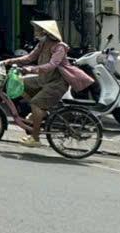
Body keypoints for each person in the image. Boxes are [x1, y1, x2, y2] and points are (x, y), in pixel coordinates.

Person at [7, 17, 92, 145]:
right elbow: (29, 57)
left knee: (35, 104)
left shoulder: (60, 47)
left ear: (45, 32)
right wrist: (10, 61)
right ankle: (41, 113)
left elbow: (51, 65)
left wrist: (30, 69)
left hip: (57, 83)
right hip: (43, 79)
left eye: (38, 29)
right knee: (20, 83)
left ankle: (35, 138)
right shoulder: (42, 43)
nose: (36, 31)